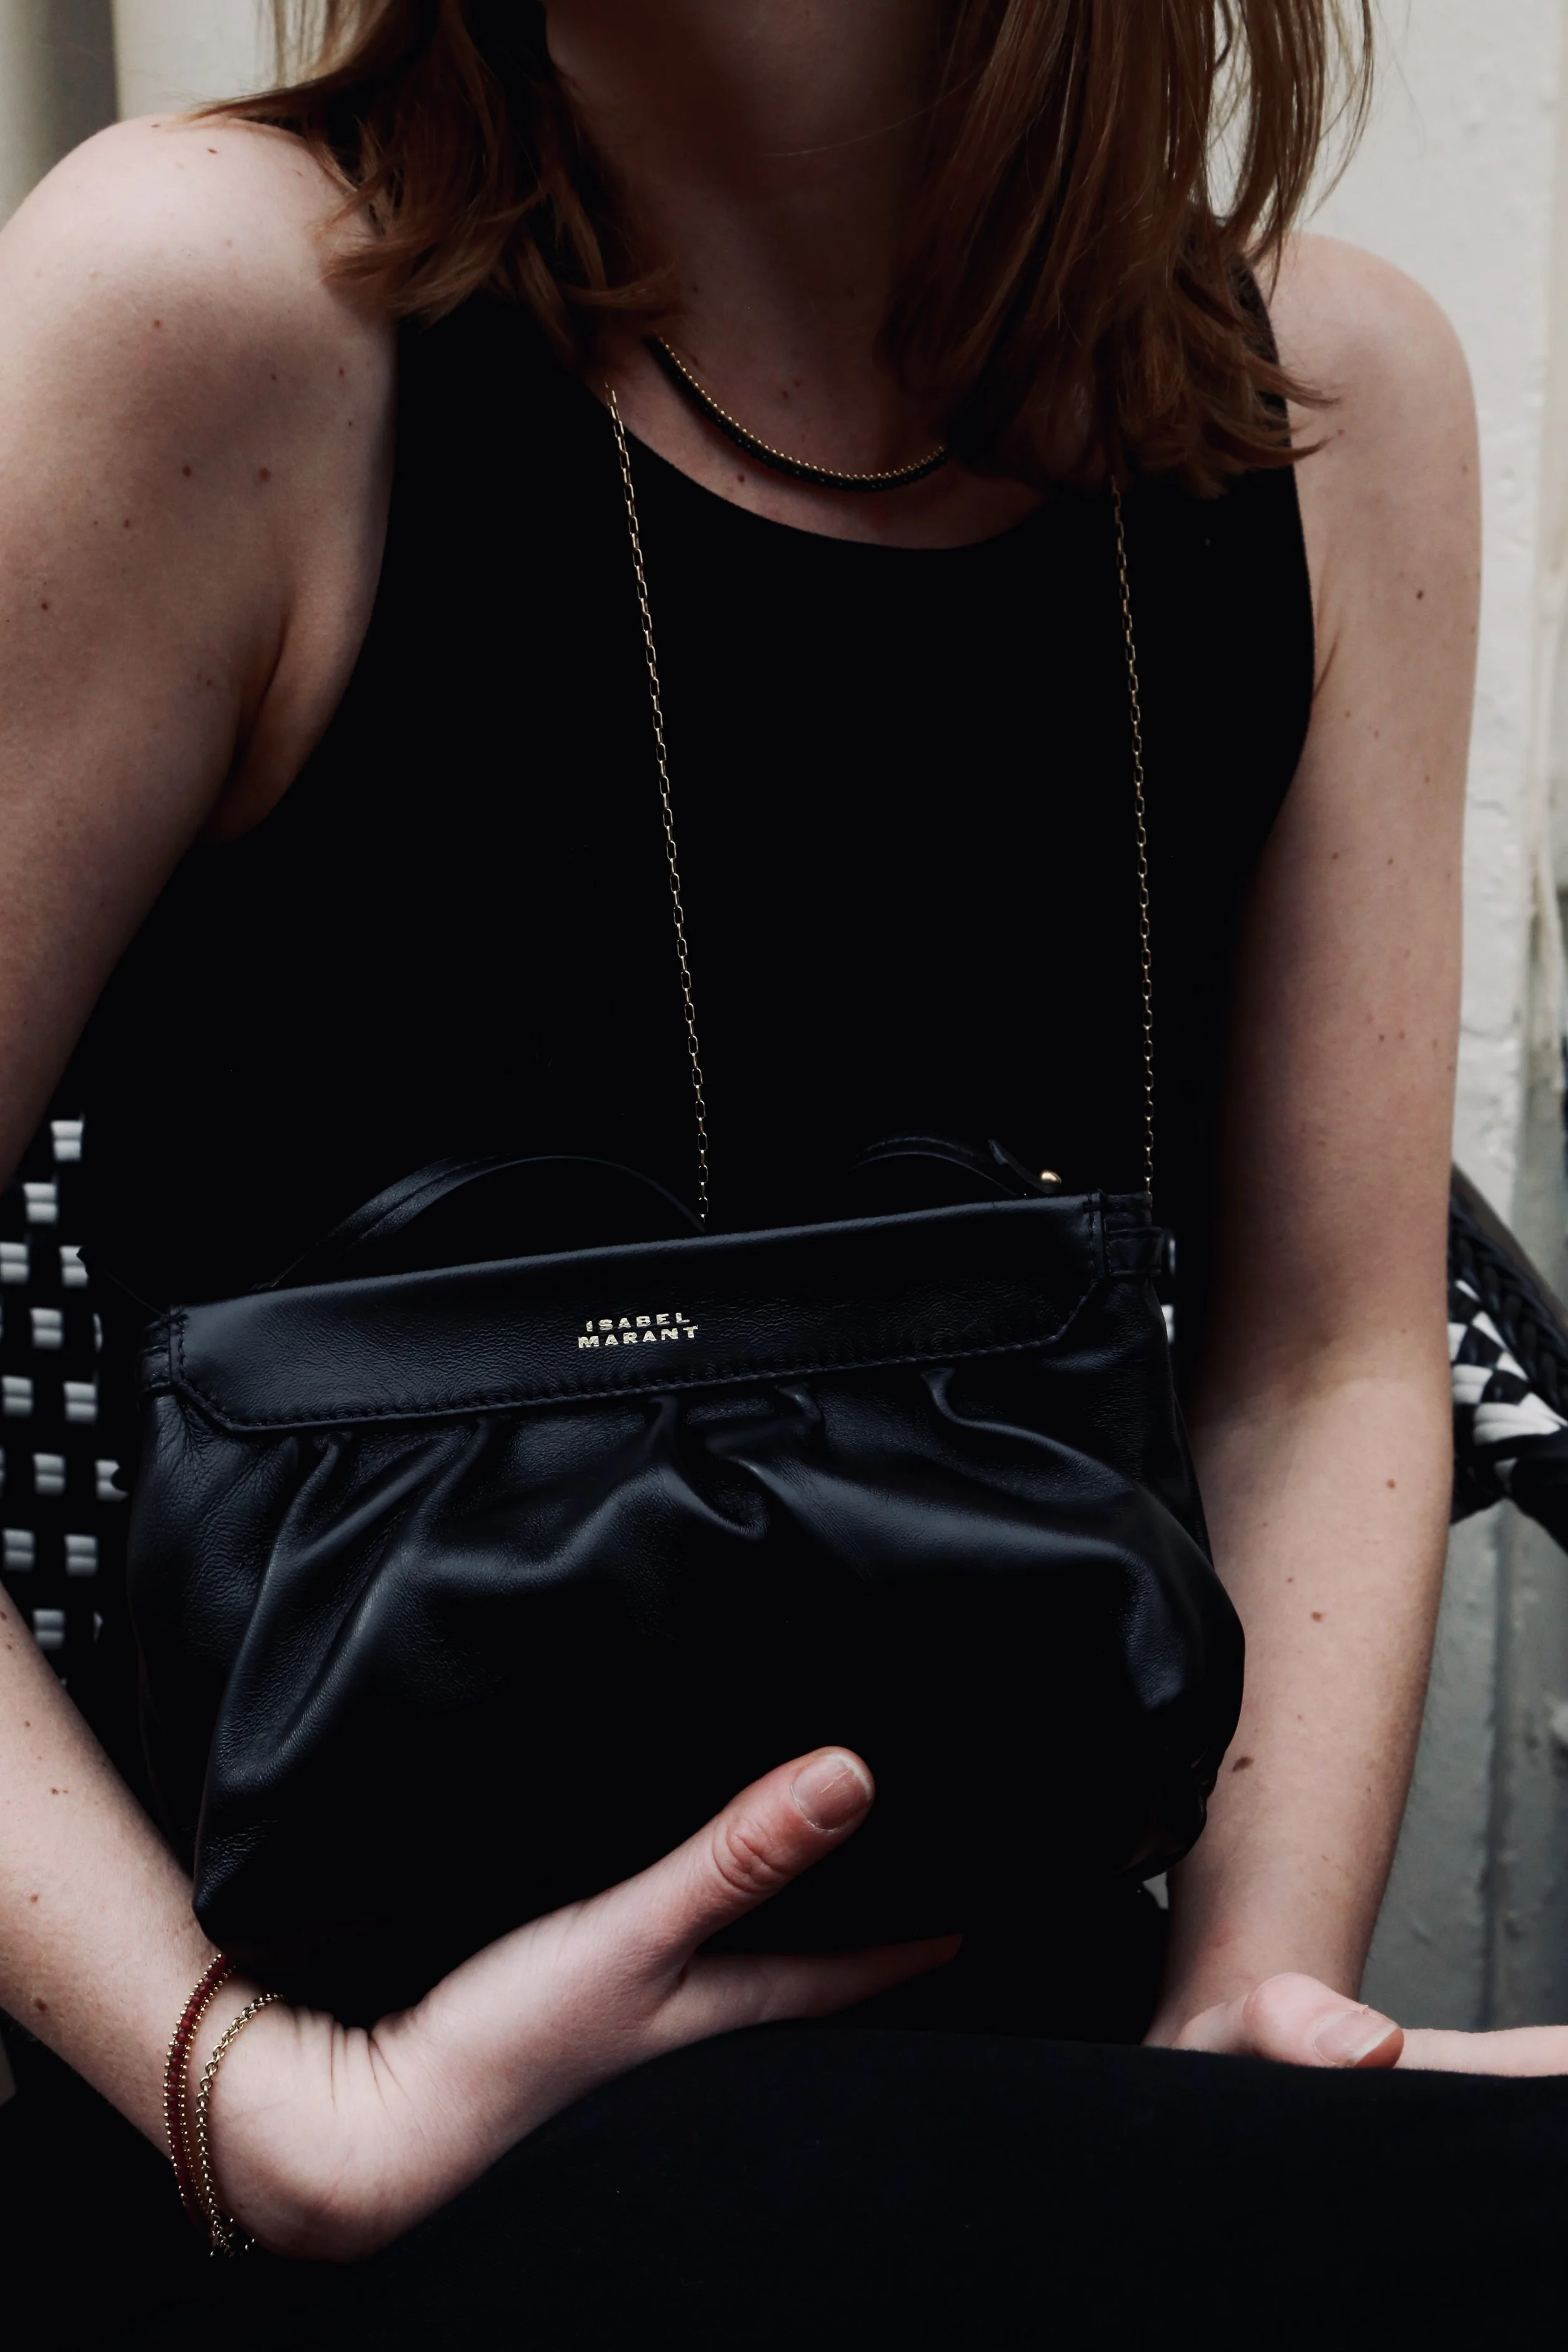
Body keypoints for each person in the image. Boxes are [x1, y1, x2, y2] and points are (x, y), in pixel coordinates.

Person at [0, 0, 1520, 2341]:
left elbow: (1322, 1351)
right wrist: (264, 2106)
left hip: (1048, 2079)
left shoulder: (1327, 409)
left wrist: (1250, 2003)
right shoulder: (221, 313)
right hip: (378, 2123)